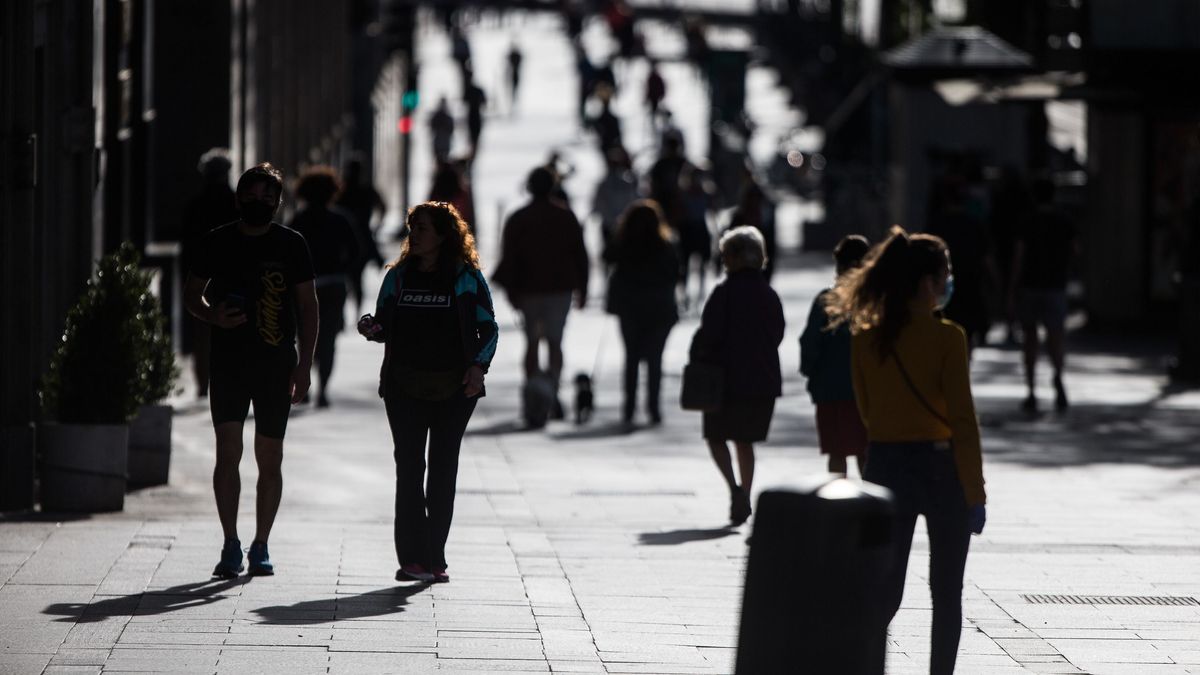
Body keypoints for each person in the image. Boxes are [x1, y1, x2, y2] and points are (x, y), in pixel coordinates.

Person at [825, 226, 987, 675]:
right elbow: (963, 422)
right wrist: (975, 493)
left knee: (883, 586)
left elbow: (867, 411)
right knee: (946, 592)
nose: (949, 282)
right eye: (946, 274)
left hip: (887, 465)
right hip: (941, 468)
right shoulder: (948, 338)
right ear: (927, 282)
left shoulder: (865, 337)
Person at [183, 163, 318, 579]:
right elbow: (191, 296)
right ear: (239, 198)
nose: (259, 203)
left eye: (268, 197)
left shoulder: (292, 244)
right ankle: (230, 542)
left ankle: (261, 544)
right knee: (228, 454)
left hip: (276, 364)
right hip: (229, 363)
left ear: (279, 202)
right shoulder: (217, 242)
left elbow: (309, 307)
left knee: (270, 459)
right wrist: (213, 316)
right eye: (252, 195)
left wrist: (305, 365)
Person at [358, 201, 497, 584]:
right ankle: (412, 560)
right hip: (404, 386)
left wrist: (476, 367)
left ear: (443, 235)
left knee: (442, 470)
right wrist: (371, 328)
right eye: (412, 227)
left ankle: (435, 557)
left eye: (422, 228)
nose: (414, 235)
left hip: (455, 389)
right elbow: (385, 324)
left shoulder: (466, 277)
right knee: (409, 468)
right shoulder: (398, 277)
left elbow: (489, 328)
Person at [689, 226, 784, 525]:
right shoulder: (768, 294)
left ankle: (735, 490)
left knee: (716, 436)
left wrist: (699, 355)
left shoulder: (724, 293)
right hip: (761, 380)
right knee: (746, 441)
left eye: (726, 254)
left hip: (724, 380)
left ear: (736, 257)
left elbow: (709, 334)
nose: (723, 259)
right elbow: (777, 334)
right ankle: (745, 489)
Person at [494, 167, 590, 422]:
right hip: (560, 289)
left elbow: (509, 257)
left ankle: (533, 392)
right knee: (555, 342)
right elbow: (580, 255)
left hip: (529, 290)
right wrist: (583, 288)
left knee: (532, 342)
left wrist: (512, 291)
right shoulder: (565, 217)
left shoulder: (519, 218)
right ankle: (553, 390)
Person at [287, 166, 360, 408]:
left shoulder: (298, 219)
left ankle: (302, 385)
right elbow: (356, 253)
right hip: (334, 285)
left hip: (303, 286)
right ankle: (323, 390)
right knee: (327, 338)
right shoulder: (340, 219)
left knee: (302, 336)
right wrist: (345, 274)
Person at [799, 235, 870, 476]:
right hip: (866, 391)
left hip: (830, 390)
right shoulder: (873, 302)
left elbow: (809, 342)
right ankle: (870, 505)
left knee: (836, 454)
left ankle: (838, 505)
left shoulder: (826, 300)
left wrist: (810, 372)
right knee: (865, 452)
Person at [604, 200, 679, 427]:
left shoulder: (623, 244)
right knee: (655, 360)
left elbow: (606, 257)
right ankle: (653, 408)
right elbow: (676, 274)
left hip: (630, 308)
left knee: (632, 357)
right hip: (660, 309)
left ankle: (629, 407)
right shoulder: (666, 246)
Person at [1010, 178, 1076, 413]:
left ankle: (1031, 390)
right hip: (1055, 285)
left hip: (1030, 285)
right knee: (1055, 337)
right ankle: (1058, 375)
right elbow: (1073, 252)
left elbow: (1020, 255)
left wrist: (1013, 286)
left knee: (1030, 339)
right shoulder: (1064, 221)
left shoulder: (1027, 221)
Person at [181, 148, 238, 398]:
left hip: (201, 276)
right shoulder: (237, 204)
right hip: (233, 276)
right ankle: (229, 381)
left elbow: (187, 243)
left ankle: (203, 383)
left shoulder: (196, 205)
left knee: (202, 329)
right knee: (235, 327)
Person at [335, 156, 387, 316]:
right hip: (362, 237)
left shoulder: (342, 191)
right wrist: (377, 226)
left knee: (348, 278)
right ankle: (355, 311)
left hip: (347, 239)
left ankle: (347, 314)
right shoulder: (365, 190)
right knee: (356, 278)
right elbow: (383, 207)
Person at [591, 147, 640, 263]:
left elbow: (598, 205)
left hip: (613, 225)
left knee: (612, 256)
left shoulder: (606, 183)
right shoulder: (627, 181)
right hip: (622, 225)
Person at [464, 75, 487, 155]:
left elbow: (464, 100)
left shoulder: (469, 90)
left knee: (473, 134)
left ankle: (473, 148)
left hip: (472, 115)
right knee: (475, 134)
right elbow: (484, 102)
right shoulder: (478, 90)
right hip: (475, 115)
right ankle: (474, 148)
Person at [430, 98, 455, 163]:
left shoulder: (436, 116)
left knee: (440, 161)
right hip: (443, 143)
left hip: (440, 142)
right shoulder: (448, 117)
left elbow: (432, 128)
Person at [506, 42, 523, 107]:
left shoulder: (515, 56)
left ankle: (514, 98)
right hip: (511, 73)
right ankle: (512, 97)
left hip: (514, 73)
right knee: (512, 86)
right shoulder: (515, 55)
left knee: (514, 86)